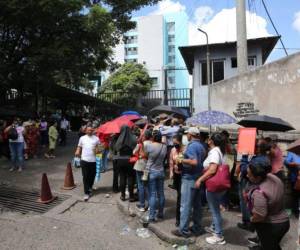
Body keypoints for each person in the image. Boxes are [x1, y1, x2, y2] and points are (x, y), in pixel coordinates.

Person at [246, 158, 290, 250]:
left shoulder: (259, 193)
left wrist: (251, 219)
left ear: (258, 177)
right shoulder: (274, 178)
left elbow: (259, 216)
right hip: (284, 221)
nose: (247, 175)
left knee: (269, 246)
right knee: (272, 245)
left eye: (249, 175)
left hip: (271, 226)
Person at [171, 127, 206, 238]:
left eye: (187, 134)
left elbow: (194, 161)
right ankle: (197, 227)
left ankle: (183, 230)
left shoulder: (192, 146)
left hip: (189, 178)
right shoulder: (201, 146)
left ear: (191, 134)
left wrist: (180, 159)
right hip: (197, 177)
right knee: (197, 205)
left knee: (185, 205)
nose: (187, 136)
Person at [195, 133, 227, 245]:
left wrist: (200, 179)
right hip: (219, 185)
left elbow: (213, 170)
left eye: (209, 138)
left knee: (215, 211)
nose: (207, 139)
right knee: (215, 208)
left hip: (213, 185)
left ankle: (218, 235)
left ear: (211, 141)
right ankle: (214, 227)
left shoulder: (214, 152)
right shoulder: (220, 151)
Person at [144, 130, 167, 222]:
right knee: (161, 193)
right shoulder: (164, 147)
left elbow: (145, 156)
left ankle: (152, 216)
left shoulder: (149, 146)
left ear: (153, 137)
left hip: (151, 171)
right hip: (161, 171)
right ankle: (160, 213)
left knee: (152, 194)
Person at [75, 125, 100, 201]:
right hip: (84, 160)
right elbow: (79, 146)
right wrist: (78, 151)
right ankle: (86, 193)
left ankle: (90, 187)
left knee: (92, 175)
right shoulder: (82, 138)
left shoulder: (96, 138)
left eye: (91, 130)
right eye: (88, 130)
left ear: (93, 131)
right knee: (85, 176)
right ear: (85, 131)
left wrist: (97, 150)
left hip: (93, 160)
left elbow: (99, 149)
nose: (90, 131)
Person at [113, 125, 137, 202]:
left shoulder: (119, 140)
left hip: (120, 161)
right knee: (130, 178)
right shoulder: (133, 139)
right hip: (130, 160)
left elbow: (115, 149)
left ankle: (123, 195)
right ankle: (131, 196)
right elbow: (136, 150)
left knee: (122, 177)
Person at [134, 129, 152, 212]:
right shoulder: (153, 144)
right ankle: (149, 205)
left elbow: (134, 152)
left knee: (141, 185)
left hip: (140, 165)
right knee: (147, 185)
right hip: (149, 166)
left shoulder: (141, 144)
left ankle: (142, 205)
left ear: (144, 136)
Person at [169, 134, 184, 227]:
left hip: (183, 175)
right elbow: (171, 161)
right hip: (177, 175)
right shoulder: (173, 150)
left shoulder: (185, 150)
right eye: (173, 143)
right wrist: (171, 172)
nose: (175, 145)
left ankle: (181, 217)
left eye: (176, 143)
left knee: (182, 197)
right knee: (179, 197)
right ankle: (178, 219)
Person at [284, 152, 300, 218]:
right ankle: (296, 211)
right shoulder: (292, 153)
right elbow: (286, 162)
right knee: (296, 195)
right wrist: (295, 164)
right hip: (296, 178)